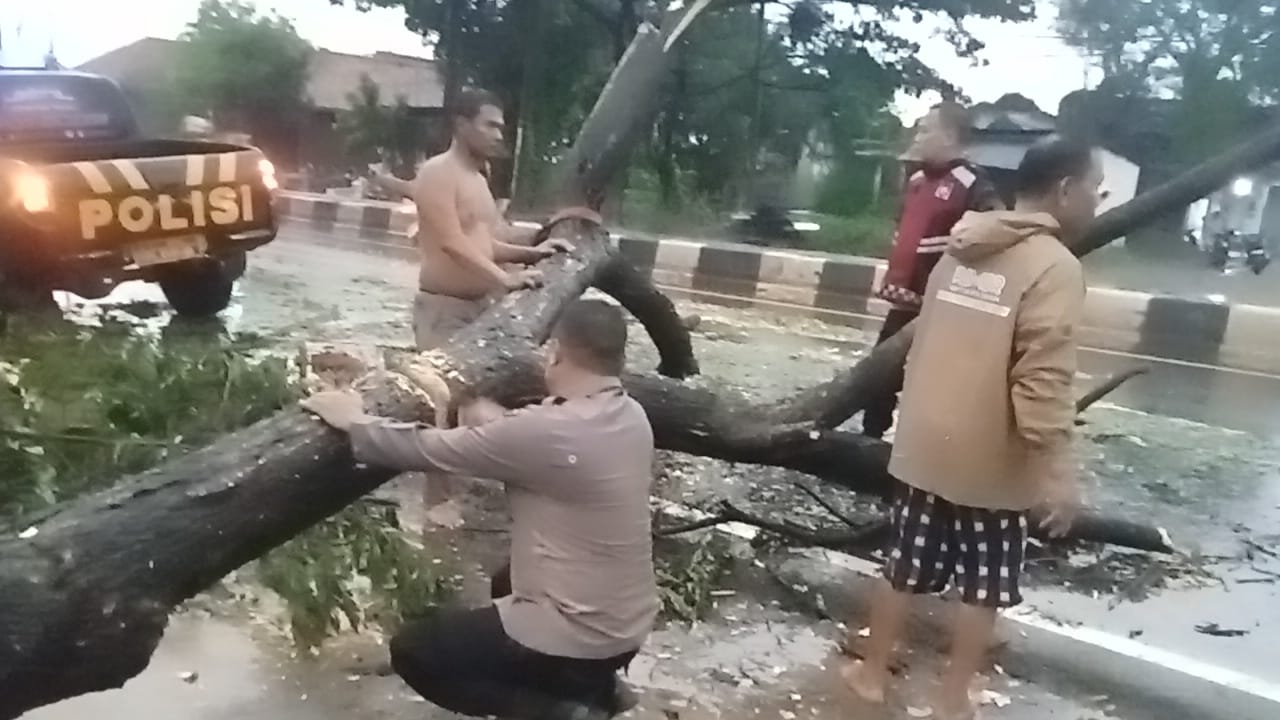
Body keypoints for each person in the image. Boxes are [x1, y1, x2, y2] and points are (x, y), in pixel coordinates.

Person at [843, 136, 1103, 720]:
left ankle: (870, 676)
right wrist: (1057, 472)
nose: (1098, 201)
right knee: (983, 587)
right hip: (988, 458)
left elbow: (923, 342)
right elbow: (1042, 379)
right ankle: (953, 702)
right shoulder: (1055, 268)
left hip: (925, 441)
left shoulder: (961, 246)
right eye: (1096, 188)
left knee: (903, 565)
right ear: (1065, 190)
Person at [301, 299, 657, 720]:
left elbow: (426, 449)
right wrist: (496, 421)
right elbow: (547, 440)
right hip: (629, 627)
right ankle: (599, 687)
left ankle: (563, 710)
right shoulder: (632, 416)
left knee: (416, 652)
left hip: (578, 636)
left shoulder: (542, 432)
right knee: (505, 582)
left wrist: (353, 420)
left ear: (555, 353)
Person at [368, 88, 599, 528]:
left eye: (501, 127)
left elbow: (484, 243)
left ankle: (509, 484)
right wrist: (505, 279)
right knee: (447, 401)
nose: (499, 134)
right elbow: (451, 243)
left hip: (481, 307)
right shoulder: (437, 173)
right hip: (443, 308)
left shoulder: (478, 178)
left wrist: (531, 253)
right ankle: (438, 505)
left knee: (488, 399)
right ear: (461, 124)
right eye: (490, 125)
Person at [863, 101, 1003, 440]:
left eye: (925, 130)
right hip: (904, 302)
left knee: (929, 383)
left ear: (950, 136)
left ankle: (922, 447)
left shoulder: (972, 183)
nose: (917, 137)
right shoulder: (915, 181)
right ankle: (869, 439)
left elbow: (995, 227)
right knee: (878, 375)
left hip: (941, 309)